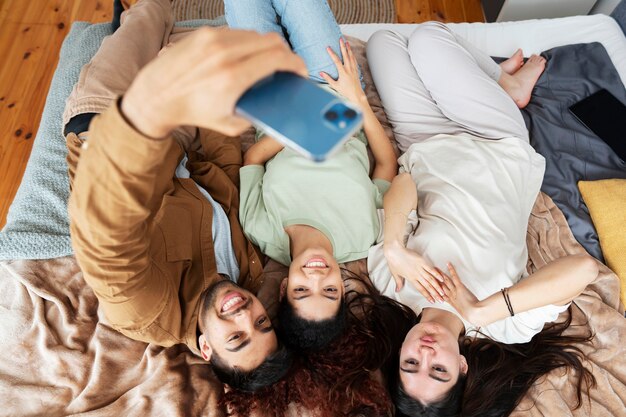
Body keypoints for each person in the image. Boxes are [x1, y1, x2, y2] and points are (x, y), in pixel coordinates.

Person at [64, 0, 308, 392]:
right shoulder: (248, 268)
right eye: (262, 323)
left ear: (207, 350)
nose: (245, 315)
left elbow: (105, 232)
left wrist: (150, 114)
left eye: (237, 338)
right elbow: (224, 173)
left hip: (110, 124)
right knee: (221, 44)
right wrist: (213, 102)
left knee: (149, 16)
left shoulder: (145, 310)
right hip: (180, 135)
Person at [365, 23, 598, 415]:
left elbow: (403, 181)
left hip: (424, 143)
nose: (425, 353)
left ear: (399, 354)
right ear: (461, 366)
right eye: (437, 370)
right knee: (426, 37)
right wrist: (481, 310)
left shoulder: (394, 283)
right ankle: (505, 85)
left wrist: (394, 245)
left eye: (410, 364)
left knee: (381, 43)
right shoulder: (504, 326)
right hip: (496, 142)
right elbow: (583, 269)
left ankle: (498, 83)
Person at [227, 0, 398, 350]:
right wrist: (358, 100)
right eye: (330, 290)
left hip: (274, 102)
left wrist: (296, 123)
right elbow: (385, 165)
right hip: (334, 89)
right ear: (343, 287)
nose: (316, 276)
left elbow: (253, 158)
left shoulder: (260, 230)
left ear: (283, 288)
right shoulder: (366, 234)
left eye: (302, 290)